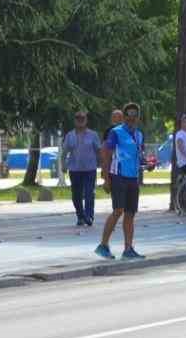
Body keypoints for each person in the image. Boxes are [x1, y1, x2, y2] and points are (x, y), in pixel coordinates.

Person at [97, 102, 145, 260]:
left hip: (132, 177)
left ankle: (128, 248)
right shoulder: (115, 132)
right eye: (128, 116)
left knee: (130, 213)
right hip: (118, 175)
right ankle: (103, 245)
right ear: (124, 117)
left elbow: (138, 155)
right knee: (118, 210)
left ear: (138, 118)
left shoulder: (139, 134)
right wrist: (106, 178)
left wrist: (147, 164)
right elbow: (105, 153)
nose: (131, 118)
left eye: (134, 116)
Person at [61, 111, 101, 227]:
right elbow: (64, 152)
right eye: (78, 119)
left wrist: (103, 165)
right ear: (75, 121)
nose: (80, 121)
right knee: (76, 195)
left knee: (89, 193)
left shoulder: (93, 135)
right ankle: (80, 216)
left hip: (90, 169)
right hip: (75, 169)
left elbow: (98, 151)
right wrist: (63, 165)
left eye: (82, 119)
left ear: (86, 120)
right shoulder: (70, 135)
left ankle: (89, 216)